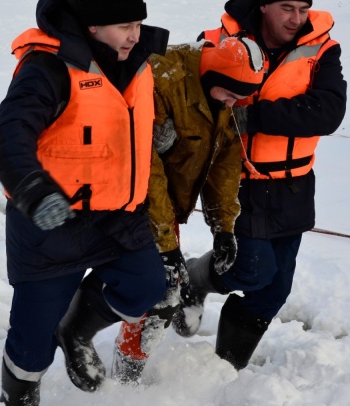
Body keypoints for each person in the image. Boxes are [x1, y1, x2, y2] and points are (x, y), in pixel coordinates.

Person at [0, 0, 170, 405]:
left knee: (147, 285)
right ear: (93, 28)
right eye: (124, 25)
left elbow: (119, 121)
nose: (134, 35)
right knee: (32, 344)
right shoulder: (48, 67)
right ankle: (18, 397)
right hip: (52, 223)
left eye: (138, 24)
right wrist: (33, 189)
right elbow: (11, 134)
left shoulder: (138, 62)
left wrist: (156, 135)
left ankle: (76, 327)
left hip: (117, 219)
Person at [173, 0, 347, 370]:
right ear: (265, 5)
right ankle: (197, 277)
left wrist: (253, 115)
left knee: (275, 289)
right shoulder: (219, 40)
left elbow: (328, 111)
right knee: (252, 270)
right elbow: (191, 98)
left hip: (294, 183)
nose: (296, 18)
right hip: (238, 181)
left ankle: (227, 369)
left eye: (303, 8)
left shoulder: (322, 49)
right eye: (287, 7)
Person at [111, 36, 266, 384]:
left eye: (240, 97)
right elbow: (146, 172)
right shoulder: (163, 80)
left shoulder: (230, 100)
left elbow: (226, 163)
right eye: (229, 94)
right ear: (212, 78)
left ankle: (126, 374)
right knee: (148, 287)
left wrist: (223, 227)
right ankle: (99, 358)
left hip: (159, 206)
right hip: (124, 198)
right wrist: (166, 245)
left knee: (163, 294)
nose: (233, 103)